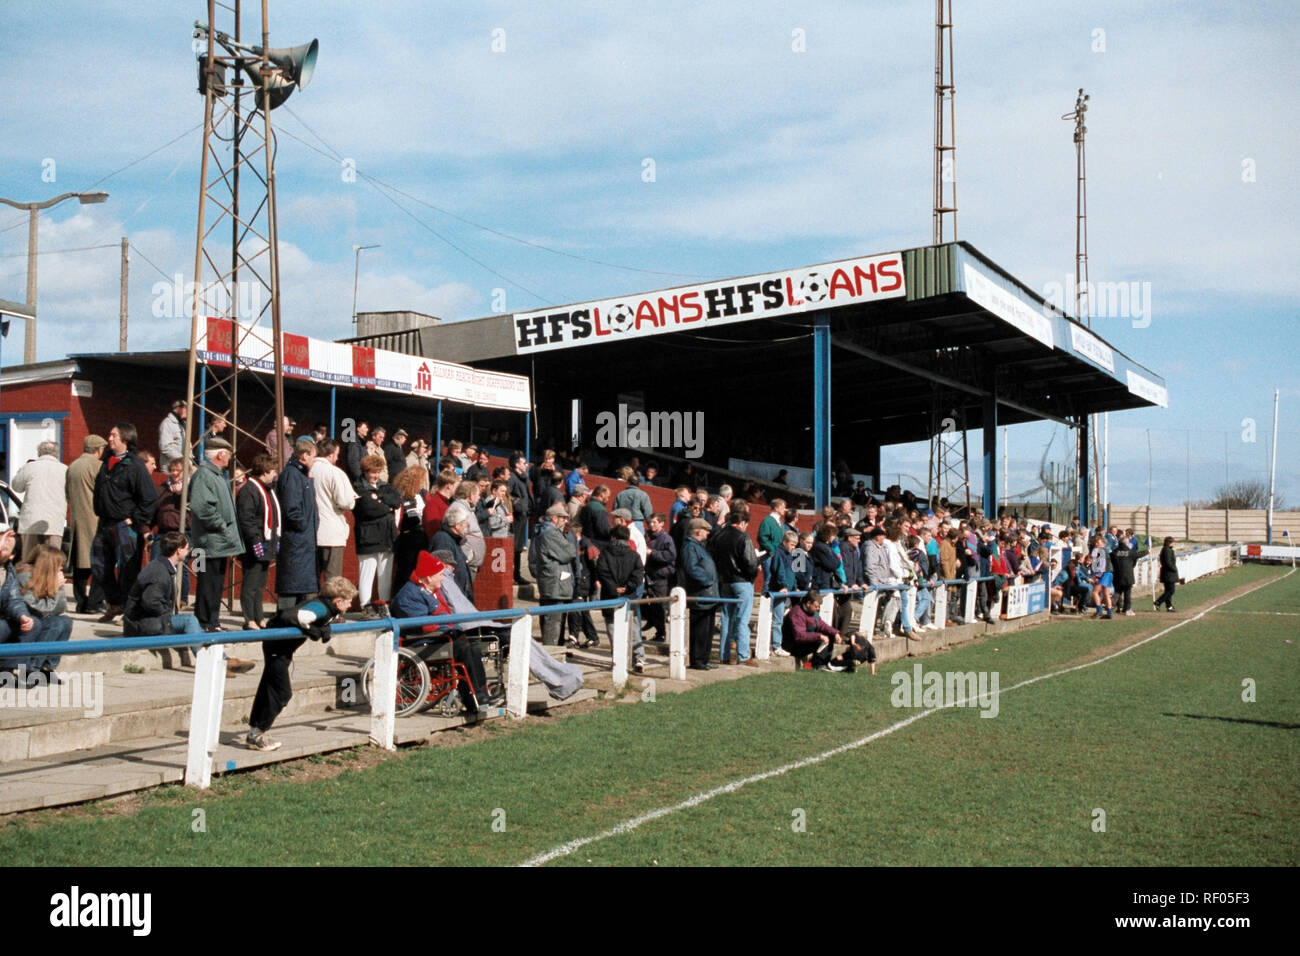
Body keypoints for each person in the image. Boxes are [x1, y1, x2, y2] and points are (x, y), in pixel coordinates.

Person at [246, 576, 357, 751]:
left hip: (283, 649)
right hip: (277, 647)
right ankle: (256, 734)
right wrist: (315, 631)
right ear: (337, 601)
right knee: (282, 693)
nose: (350, 606)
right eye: (348, 602)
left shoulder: (327, 607)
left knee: (268, 687)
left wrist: (322, 629)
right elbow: (293, 616)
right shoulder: (320, 608)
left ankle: (254, 730)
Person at [391, 551, 498, 712]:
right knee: (465, 650)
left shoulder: (430, 591)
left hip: (438, 636)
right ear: (428, 578)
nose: (443, 577)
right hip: (422, 641)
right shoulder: (409, 595)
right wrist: (448, 627)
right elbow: (422, 625)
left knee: (473, 646)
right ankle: (475, 697)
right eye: (440, 574)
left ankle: (479, 695)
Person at [92, 423, 159, 623]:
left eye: (113, 435)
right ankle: (114, 604)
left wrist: (135, 520)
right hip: (104, 524)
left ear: (125, 439)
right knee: (98, 566)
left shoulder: (135, 465)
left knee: (127, 571)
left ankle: (130, 612)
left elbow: (150, 498)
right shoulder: (106, 462)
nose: (109, 438)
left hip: (124, 527)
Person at [2, 538, 71, 683]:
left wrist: (58, 589)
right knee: (54, 624)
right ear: (48, 566)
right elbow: (40, 610)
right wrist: (56, 590)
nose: (61, 569)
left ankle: (46, 668)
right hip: (20, 622)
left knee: (65, 621)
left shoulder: (46, 577)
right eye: (59, 565)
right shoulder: (24, 577)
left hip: (35, 621)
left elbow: (60, 609)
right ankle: (30, 669)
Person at [122, 531, 207, 642]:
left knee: (194, 625)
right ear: (178, 550)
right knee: (189, 621)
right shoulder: (159, 572)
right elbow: (150, 601)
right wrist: (167, 615)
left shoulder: (162, 566)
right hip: (141, 625)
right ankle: (207, 656)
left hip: (147, 621)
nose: (188, 552)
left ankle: (218, 656)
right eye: (187, 549)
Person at [710, 501, 759, 665]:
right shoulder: (743, 537)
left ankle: (724, 655)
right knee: (742, 619)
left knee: (726, 618)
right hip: (742, 581)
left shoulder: (719, 536)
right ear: (743, 522)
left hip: (725, 581)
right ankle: (743, 655)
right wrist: (752, 575)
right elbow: (751, 562)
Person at [236, 454, 281, 630]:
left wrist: (275, 539)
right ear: (265, 471)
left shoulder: (268, 490)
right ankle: (249, 618)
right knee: (250, 583)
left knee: (260, 584)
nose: (275, 474)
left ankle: (259, 616)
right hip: (254, 545)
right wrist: (255, 541)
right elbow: (247, 519)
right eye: (274, 470)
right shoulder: (250, 490)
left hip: (267, 542)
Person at [353, 453, 403, 612]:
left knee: (385, 576)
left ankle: (383, 605)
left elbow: (396, 500)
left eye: (377, 472)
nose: (375, 476)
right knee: (366, 575)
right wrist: (385, 506)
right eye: (372, 472)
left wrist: (379, 497)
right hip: (367, 537)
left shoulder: (385, 486)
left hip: (387, 537)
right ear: (365, 471)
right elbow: (367, 508)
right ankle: (366, 607)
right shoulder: (357, 486)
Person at [274, 439, 320, 609]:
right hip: (296, 542)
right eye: (313, 457)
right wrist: (303, 527)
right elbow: (291, 509)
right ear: (304, 456)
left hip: (303, 542)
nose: (314, 461)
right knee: (290, 590)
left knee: (300, 590)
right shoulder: (292, 475)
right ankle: (284, 628)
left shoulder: (300, 475)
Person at [595, 524, 647, 672]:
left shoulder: (605, 554)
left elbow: (602, 572)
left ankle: (618, 658)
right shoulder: (634, 555)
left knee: (612, 627)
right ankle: (639, 657)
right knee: (634, 627)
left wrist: (613, 588)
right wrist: (628, 587)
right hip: (629, 596)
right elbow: (638, 574)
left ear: (613, 537)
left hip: (609, 596)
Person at [66, 435, 107, 614]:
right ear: (98, 449)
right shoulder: (97, 467)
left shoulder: (72, 466)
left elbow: (67, 493)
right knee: (100, 563)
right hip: (95, 521)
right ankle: (94, 602)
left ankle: (81, 601)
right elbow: (105, 494)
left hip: (76, 521)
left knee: (79, 565)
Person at [311, 438, 358, 584]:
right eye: (337, 454)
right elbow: (345, 502)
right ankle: (329, 606)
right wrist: (352, 500)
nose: (337, 458)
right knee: (332, 580)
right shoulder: (335, 472)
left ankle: (310, 606)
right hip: (331, 532)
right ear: (331, 454)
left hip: (311, 532)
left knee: (313, 579)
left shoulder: (308, 470)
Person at [11, 440, 67, 558]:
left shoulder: (29, 467)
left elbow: (16, 486)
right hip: (54, 523)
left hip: (31, 522)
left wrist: (21, 471)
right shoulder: (65, 470)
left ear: (39, 453)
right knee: (51, 561)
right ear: (57, 454)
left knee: (29, 561)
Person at [678, 517, 719, 670]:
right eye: (706, 531)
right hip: (701, 594)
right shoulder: (690, 547)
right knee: (700, 631)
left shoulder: (699, 546)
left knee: (707, 631)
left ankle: (704, 658)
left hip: (708, 595)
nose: (708, 534)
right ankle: (698, 660)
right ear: (698, 531)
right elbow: (691, 568)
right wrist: (707, 580)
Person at [781, 590, 844, 671]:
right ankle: (814, 665)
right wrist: (819, 636)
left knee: (831, 636)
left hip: (803, 642)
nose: (818, 609)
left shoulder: (812, 612)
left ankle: (817, 664)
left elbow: (821, 624)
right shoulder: (797, 613)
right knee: (821, 640)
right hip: (793, 646)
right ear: (808, 603)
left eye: (819, 606)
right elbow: (799, 636)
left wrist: (835, 633)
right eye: (816, 606)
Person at [392, 465, 430, 590]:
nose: (423, 483)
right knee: (405, 572)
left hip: (420, 536)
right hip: (407, 539)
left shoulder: (422, 495)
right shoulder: (401, 495)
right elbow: (399, 519)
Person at [429, 501, 475, 602]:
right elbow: (444, 575)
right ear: (457, 525)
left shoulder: (454, 540)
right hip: (452, 599)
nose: (468, 528)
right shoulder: (443, 540)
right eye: (465, 524)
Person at [642, 512, 676, 642]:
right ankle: (651, 621)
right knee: (644, 601)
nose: (651, 525)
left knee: (659, 604)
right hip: (648, 573)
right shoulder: (647, 535)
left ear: (661, 523)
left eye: (655, 522)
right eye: (650, 522)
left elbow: (670, 556)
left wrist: (653, 553)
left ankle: (661, 632)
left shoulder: (666, 539)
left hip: (660, 575)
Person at [508, 452, 533, 584]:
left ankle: (517, 574)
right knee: (515, 547)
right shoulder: (512, 478)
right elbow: (507, 495)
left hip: (523, 516)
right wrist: (517, 504)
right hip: (516, 517)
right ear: (517, 464)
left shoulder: (524, 478)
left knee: (519, 547)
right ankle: (513, 574)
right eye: (524, 463)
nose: (526, 465)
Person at [1109, 531, 1147, 616]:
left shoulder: (1114, 552)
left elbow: (1109, 558)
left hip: (1117, 574)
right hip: (1127, 575)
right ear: (1126, 543)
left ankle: (1112, 605)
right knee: (1127, 593)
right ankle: (1127, 609)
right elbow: (1138, 554)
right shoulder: (1130, 552)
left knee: (1118, 591)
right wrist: (1147, 551)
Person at [1088, 535, 1114, 619]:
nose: (1096, 544)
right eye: (1095, 542)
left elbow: (1101, 565)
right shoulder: (1106, 551)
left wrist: (1097, 576)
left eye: (1098, 542)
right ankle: (1109, 612)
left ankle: (1099, 610)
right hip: (1109, 573)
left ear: (1103, 543)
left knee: (1095, 592)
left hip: (1103, 574)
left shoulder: (1097, 551)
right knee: (1106, 593)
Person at [1154, 536, 1180, 611]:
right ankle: (1158, 602)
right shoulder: (1167, 550)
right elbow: (1168, 563)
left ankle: (1169, 606)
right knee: (1171, 590)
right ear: (1170, 543)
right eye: (1173, 542)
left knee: (1168, 590)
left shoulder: (1166, 550)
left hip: (1167, 573)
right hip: (1168, 573)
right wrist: (1174, 569)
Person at [158, 399, 187, 465]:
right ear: (179, 409)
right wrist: (181, 459)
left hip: (183, 465)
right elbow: (165, 447)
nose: (188, 411)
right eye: (186, 408)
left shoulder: (183, 424)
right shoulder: (167, 424)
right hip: (171, 467)